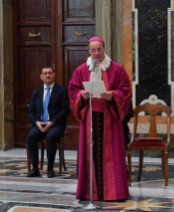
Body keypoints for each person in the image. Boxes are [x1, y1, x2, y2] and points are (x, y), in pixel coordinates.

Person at [68, 36, 132, 201]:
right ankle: (89, 192)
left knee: (112, 155)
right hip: (89, 118)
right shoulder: (81, 70)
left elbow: (126, 89)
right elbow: (72, 90)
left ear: (105, 49)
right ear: (89, 51)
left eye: (99, 50)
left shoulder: (117, 69)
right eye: (93, 50)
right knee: (90, 155)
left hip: (109, 118)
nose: (96, 53)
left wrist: (113, 95)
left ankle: (114, 192)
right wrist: (81, 95)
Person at [27, 65, 70, 178]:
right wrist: (36, 122)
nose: (48, 75)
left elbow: (65, 109)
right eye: (45, 73)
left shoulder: (62, 91)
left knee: (51, 136)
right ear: (41, 76)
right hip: (39, 124)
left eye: (50, 73)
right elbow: (31, 112)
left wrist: (53, 121)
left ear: (54, 75)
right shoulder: (35, 93)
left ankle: (50, 168)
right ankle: (35, 168)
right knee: (31, 136)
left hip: (56, 124)